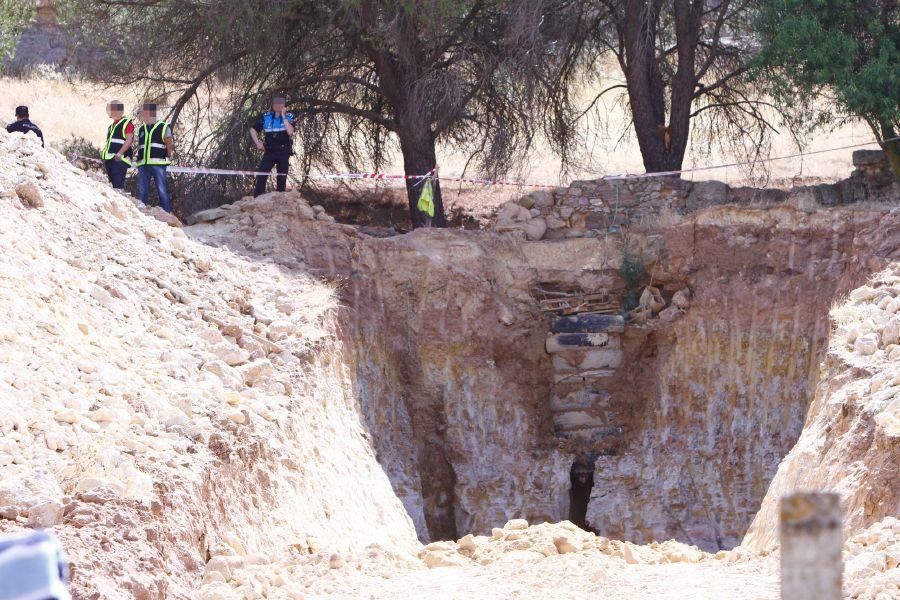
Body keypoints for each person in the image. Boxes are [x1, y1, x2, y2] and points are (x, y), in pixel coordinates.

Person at [250, 96, 295, 197]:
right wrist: (258, 142)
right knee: (262, 174)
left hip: (284, 151)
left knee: (282, 177)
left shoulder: (289, 117)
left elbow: (290, 131)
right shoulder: (266, 117)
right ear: (273, 105)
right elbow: (253, 129)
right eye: (276, 104)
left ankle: (280, 200)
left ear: (284, 105)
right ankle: (258, 198)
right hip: (269, 151)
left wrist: (283, 117)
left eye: (281, 104)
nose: (278, 105)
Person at [135, 102, 174, 213]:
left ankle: (167, 213)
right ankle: (142, 213)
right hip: (143, 164)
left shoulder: (163, 126)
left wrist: (169, 154)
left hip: (159, 164)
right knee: (143, 190)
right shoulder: (141, 129)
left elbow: (168, 141)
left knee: (161, 190)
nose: (144, 116)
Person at [102, 101, 134, 189]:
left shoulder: (127, 124)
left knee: (117, 187)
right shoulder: (111, 126)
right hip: (110, 160)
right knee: (112, 187)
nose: (108, 111)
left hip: (120, 160)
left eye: (111, 109)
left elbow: (129, 140)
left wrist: (119, 153)